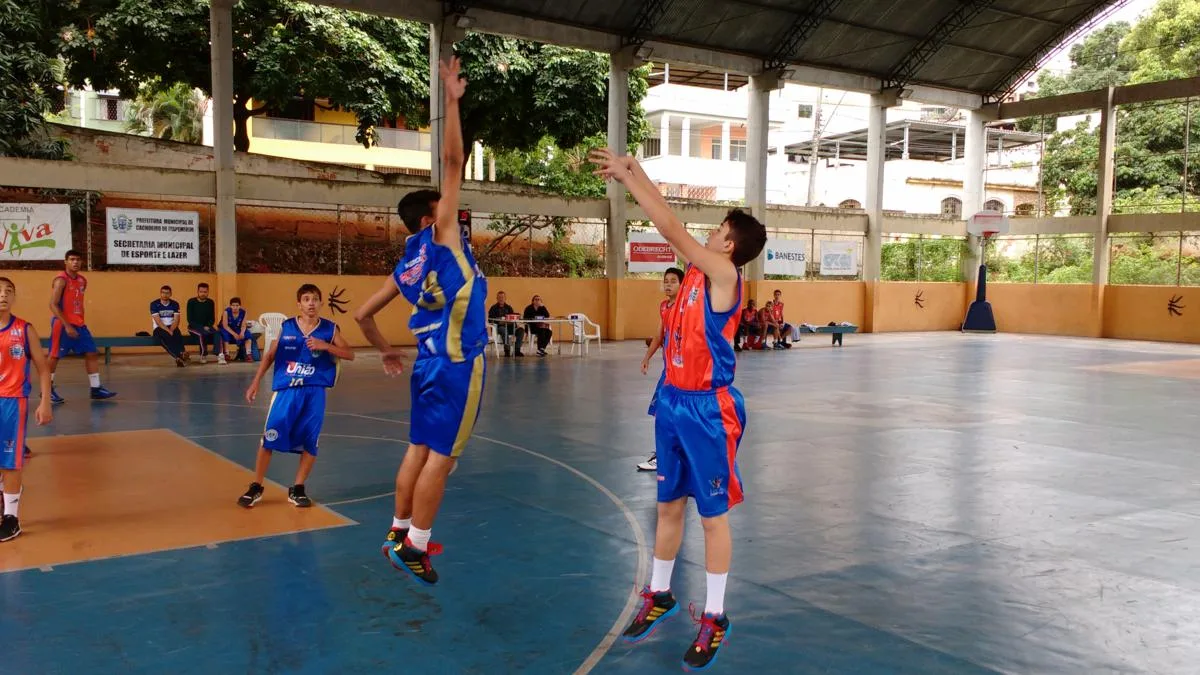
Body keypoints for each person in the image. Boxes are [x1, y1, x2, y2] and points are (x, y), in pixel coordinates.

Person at [592, 147, 765, 671]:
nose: (708, 233)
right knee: (668, 505)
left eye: (716, 229)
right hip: (672, 401)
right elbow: (672, 221)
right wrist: (634, 172)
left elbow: (668, 224)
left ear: (729, 244)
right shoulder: (693, 274)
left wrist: (629, 178)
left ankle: (714, 616)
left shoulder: (724, 276)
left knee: (711, 517)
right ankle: (660, 594)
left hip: (710, 411)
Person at [353, 56, 485, 586]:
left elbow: (362, 316)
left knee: (418, 449)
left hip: (427, 366)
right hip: (458, 365)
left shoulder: (404, 262)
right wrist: (452, 102)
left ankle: (396, 530)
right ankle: (417, 547)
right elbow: (452, 164)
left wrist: (384, 348)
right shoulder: (443, 236)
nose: (454, 204)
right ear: (433, 217)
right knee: (443, 460)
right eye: (445, 205)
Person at [237, 284, 353, 508]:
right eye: (306, 299)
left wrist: (326, 346)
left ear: (320, 303)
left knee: (311, 440)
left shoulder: (329, 329)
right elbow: (270, 355)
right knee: (269, 437)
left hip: (315, 391)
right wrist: (255, 382)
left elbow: (350, 354)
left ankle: (298, 488)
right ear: (299, 304)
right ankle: (256, 485)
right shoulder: (287, 326)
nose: (311, 303)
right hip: (286, 391)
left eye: (315, 299)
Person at [0, 277, 54, 541]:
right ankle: (5, 496)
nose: (3, 295)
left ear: (14, 298)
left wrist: (45, 401)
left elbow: (43, 367)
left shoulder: (24, 329)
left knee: (11, 461)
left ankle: (11, 518)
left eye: (8, 291)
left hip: (13, 401)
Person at [47, 249, 116, 402]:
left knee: (91, 352)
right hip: (63, 324)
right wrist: (67, 325)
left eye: (78, 259)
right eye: (72, 259)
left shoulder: (82, 280)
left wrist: (77, 322)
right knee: (54, 356)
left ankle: (96, 389)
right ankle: (47, 390)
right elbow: (52, 305)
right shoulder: (61, 280)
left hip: (79, 324)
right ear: (65, 262)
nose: (75, 262)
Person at [637, 267, 683, 473]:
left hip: (684, 371)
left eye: (673, 281)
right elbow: (659, 335)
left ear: (683, 285)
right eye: (666, 280)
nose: (668, 284)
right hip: (669, 371)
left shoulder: (687, 308)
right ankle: (664, 454)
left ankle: (669, 456)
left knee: (675, 414)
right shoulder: (664, 306)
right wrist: (647, 357)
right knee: (661, 412)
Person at [150, 285, 188, 367]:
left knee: (177, 333)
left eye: (167, 293)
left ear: (170, 294)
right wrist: (168, 331)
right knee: (166, 337)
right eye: (163, 293)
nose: (165, 295)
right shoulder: (154, 304)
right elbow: (158, 321)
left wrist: (171, 329)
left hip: (172, 326)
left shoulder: (175, 304)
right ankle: (178, 356)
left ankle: (182, 353)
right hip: (159, 328)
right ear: (160, 293)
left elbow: (176, 320)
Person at [187, 282, 223, 364]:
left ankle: (219, 355)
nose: (203, 294)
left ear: (208, 292)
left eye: (205, 292)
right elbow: (190, 319)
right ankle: (203, 355)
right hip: (193, 327)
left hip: (207, 326)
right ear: (198, 291)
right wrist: (202, 327)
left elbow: (212, 318)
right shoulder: (191, 302)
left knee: (218, 333)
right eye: (201, 292)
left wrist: (208, 326)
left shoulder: (210, 302)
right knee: (202, 334)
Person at [487, 291, 524, 357]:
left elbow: (513, 318)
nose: (501, 299)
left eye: (502, 297)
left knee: (521, 330)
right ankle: (507, 350)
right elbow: (490, 320)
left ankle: (517, 350)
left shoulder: (509, 307)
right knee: (504, 329)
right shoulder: (493, 308)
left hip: (510, 326)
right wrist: (499, 322)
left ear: (505, 298)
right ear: (497, 298)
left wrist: (514, 320)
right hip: (499, 327)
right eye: (499, 297)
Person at [219, 296, 256, 362]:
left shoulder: (244, 312)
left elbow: (244, 324)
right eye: (233, 305)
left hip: (238, 329)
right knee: (225, 334)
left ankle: (248, 354)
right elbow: (225, 326)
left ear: (240, 306)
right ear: (230, 306)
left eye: (237, 305)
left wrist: (242, 332)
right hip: (228, 329)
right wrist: (234, 334)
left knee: (247, 334)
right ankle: (227, 354)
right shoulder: (226, 312)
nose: (235, 307)